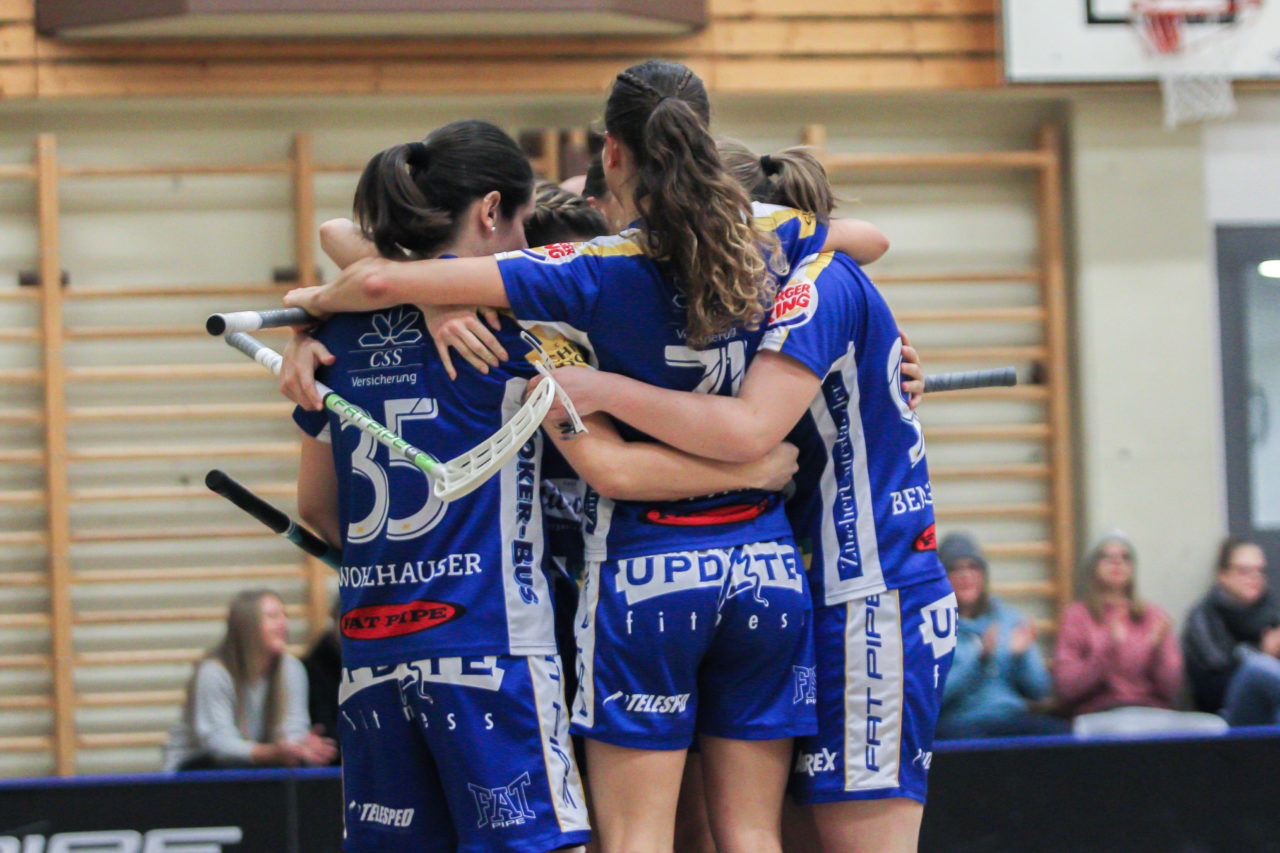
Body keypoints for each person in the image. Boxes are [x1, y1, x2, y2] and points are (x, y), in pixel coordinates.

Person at [283, 59, 903, 853]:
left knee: (638, 836)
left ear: (611, 154)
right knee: (738, 829)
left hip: (527, 607)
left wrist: (354, 303)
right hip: (745, 567)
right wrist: (757, 466)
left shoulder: (558, 289)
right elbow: (866, 243)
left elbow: (358, 271)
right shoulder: (757, 248)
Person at [529, 138, 943, 853]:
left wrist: (602, 388)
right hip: (789, 570)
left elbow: (742, 432)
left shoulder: (805, 287)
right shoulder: (766, 282)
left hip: (860, 582)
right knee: (748, 829)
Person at [163, 589, 335, 771]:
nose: (284, 623)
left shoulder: (291, 668)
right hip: (195, 770)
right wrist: (271, 753)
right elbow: (218, 743)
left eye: (285, 616)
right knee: (229, 766)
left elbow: (293, 726)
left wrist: (298, 746)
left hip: (253, 764)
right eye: (273, 616)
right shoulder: (214, 672)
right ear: (248, 625)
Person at [934, 532, 1068, 741]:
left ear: (984, 575)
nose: (965, 576)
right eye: (955, 569)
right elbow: (933, 699)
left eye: (973, 567)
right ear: (942, 577)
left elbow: (1039, 691)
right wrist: (979, 661)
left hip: (1010, 718)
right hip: (960, 723)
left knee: (1061, 735)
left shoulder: (1009, 619)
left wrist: (1020, 657)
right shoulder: (933, 629)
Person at [1183, 538, 1280, 726]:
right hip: (1225, 715)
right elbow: (1212, 690)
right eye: (1244, 571)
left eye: (1260, 570)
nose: (1254, 577)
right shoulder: (1204, 618)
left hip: (1273, 712)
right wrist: (1266, 654)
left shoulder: (1273, 613)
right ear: (1223, 575)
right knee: (1256, 669)